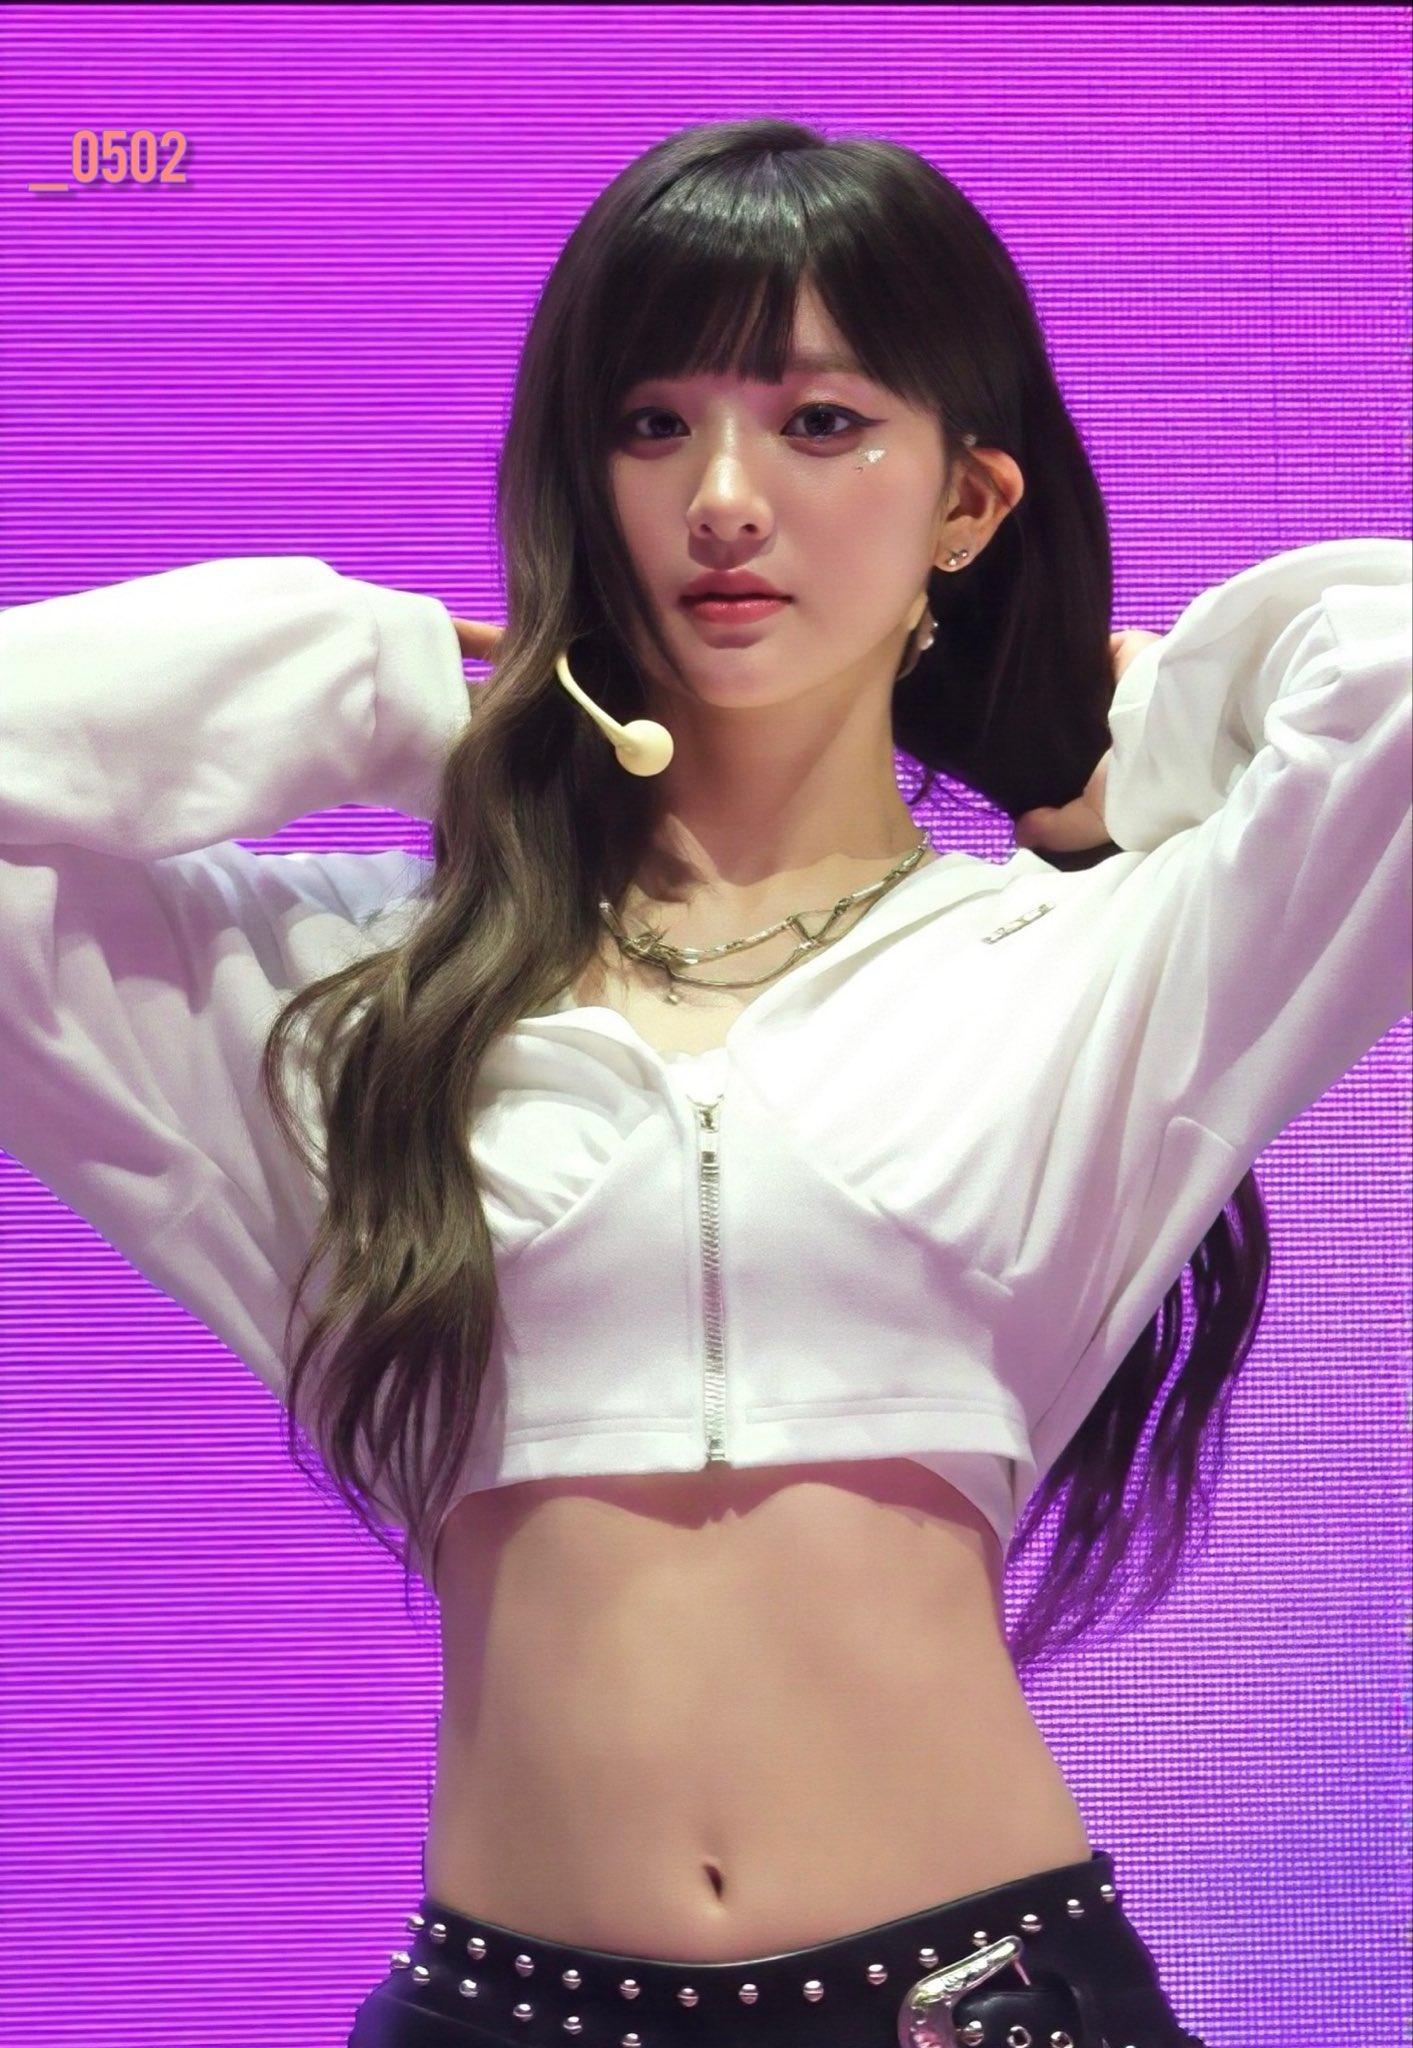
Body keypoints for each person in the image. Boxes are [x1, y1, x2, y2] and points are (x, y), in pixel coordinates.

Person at [0, 118, 1407, 2048]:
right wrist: (389, 693)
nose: (724, 498)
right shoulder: (341, 997)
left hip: (978, 2003)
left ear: (967, 500)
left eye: (819, 424)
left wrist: (1135, 732)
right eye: (652, 424)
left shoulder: (1090, 964)